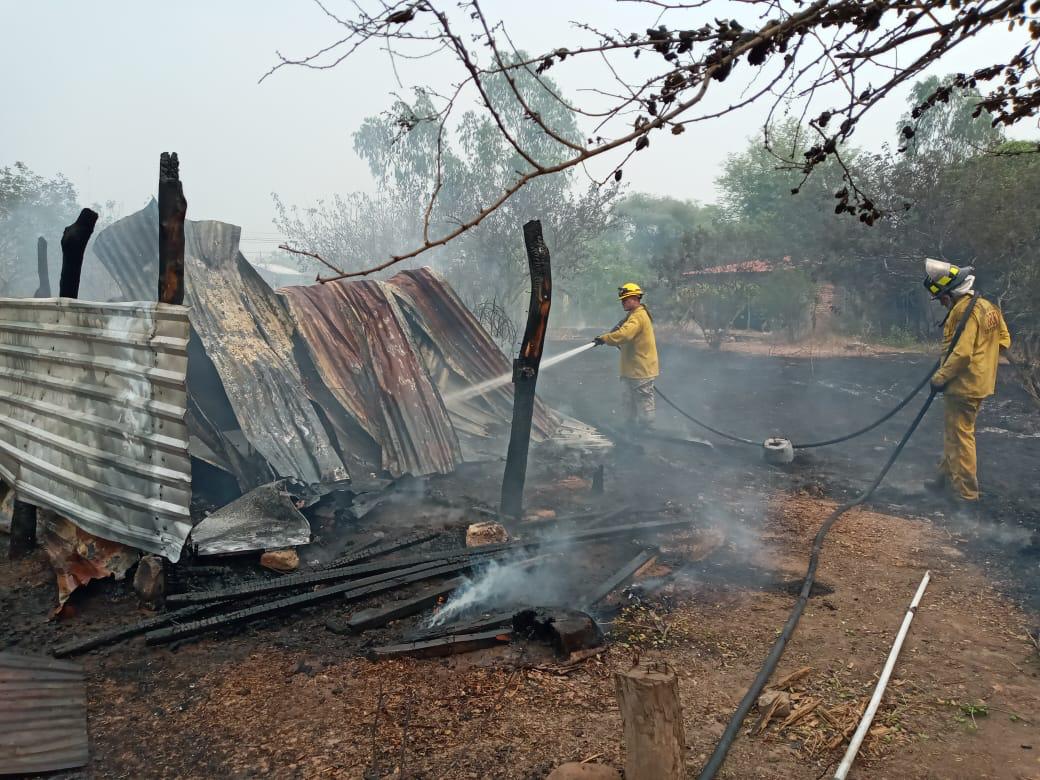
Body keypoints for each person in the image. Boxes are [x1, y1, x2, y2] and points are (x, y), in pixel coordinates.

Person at [923, 259, 1011, 504]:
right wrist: (985, 358)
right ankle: (942, 478)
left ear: (952, 292)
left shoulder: (963, 311)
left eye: (942, 297)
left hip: (962, 386)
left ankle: (966, 495)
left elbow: (961, 354)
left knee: (960, 437)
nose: (942, 302)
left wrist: (940, 377)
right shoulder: (988, 307)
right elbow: (1004, 340)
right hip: (980, 383)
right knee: (955, 432)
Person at [594, 282, 659, 428]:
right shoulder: (634, 315)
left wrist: (605, 338)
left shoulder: (638, 317)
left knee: (644, 402)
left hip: (640, 369)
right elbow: (622, 328)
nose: (623, 302)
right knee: (628, 401)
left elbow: (625, 334)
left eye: (625, 299)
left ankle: (648, 430)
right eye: (622, 300)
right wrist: (609, 335)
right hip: (632, 369)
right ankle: (631, 429)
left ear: (635, 298)